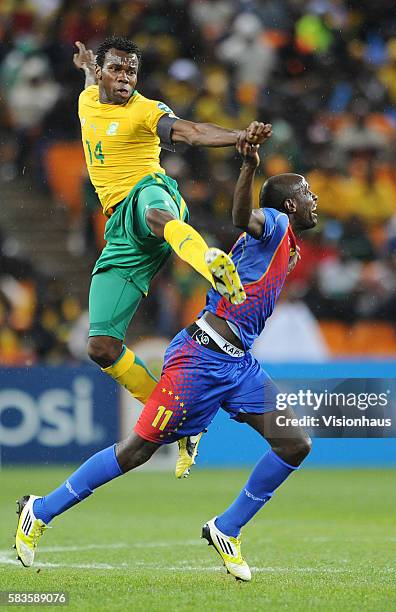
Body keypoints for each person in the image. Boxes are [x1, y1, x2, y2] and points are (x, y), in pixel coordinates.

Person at [15, 139, 317, 582]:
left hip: (238, 364)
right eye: (308, 192)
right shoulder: (273, 222)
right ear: (290, 204)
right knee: (138, 450)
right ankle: (40, 510)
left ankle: (226, 528)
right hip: (202, 356)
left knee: (294, 443)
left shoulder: (288, 243)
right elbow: (240, 216)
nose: (316, 199)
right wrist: (248, 168)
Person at [72, 37, 272, 477]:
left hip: (152, 197)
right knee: (101, 347)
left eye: (131, 72)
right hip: (120, 232)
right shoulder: (89, 98)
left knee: (153, 208)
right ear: (103, 73)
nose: (125, 79)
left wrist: (239, 137)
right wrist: (87, 67)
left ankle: (212, 265)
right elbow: (91, 83)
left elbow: (190, 132)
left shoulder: (145, 111)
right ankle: (178, 418)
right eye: (117, 71)